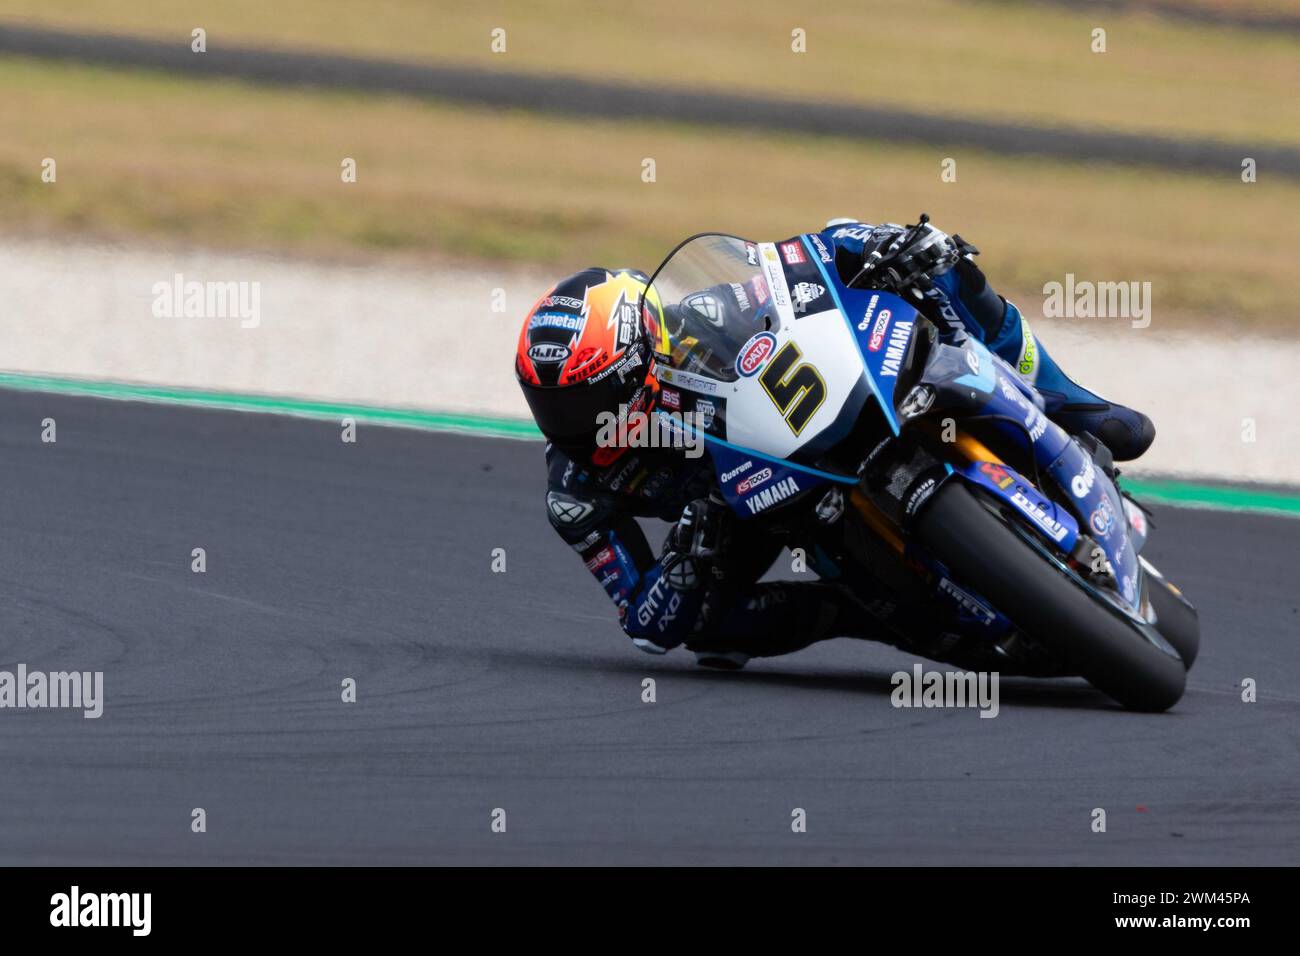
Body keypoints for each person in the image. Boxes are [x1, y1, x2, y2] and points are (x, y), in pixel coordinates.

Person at [513, 219, 1152, 671]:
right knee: (704, 627)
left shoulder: (696, 321)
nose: (575, 421)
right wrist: (684, 560)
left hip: (791, 427)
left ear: (640, 351)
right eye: (553, 405)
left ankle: (1073, 403)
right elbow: (643, 624)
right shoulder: (575, 494)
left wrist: (877, 245)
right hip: (731, 514)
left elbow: (795, 262)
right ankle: (855, 614)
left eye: (589, 398)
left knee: (941, 266)